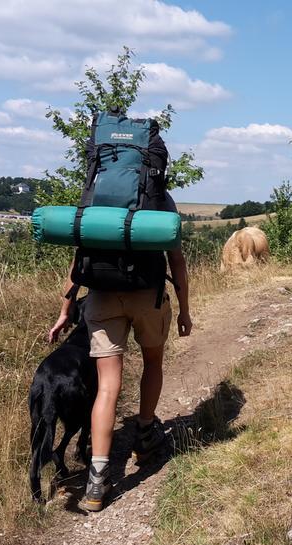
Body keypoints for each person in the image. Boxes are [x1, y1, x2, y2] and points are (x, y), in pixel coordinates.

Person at [47, 125, 193, 513]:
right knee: (153, 363)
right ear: (152, 161)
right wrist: (185, 308)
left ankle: (96, 479)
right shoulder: (161, 197)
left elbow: (79, 259)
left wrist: (65, 310)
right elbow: (176, 259)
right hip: (148, 295)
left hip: (101, 296)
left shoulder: (93, 195)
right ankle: (146, 435)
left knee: (108, 385)